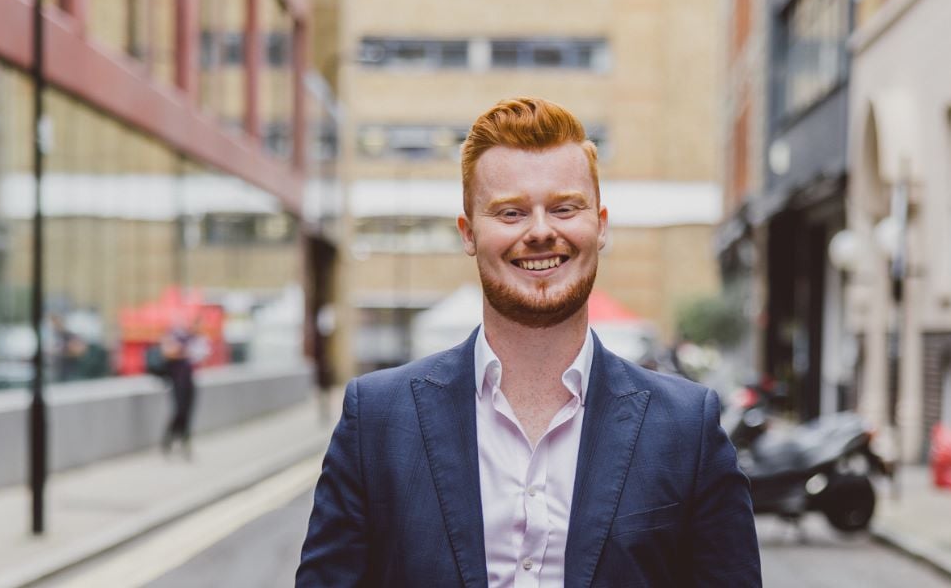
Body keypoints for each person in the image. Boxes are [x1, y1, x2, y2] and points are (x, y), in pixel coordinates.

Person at [297, 98, 760, 587]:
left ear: (599, 225)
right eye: (511, 212)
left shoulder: (689, 428)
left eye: (564, 207)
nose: (540, 232)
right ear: (468, 232)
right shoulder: (376, 420)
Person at [160, 317, 204, 459]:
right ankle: (171, 437)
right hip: (177, 379)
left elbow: (200, 356)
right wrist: (183, 350)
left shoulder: (196, 340)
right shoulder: (177, 335)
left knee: (187, 410)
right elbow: (168, 352)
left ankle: (184, 439)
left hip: (189, 379)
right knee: (179, 409)